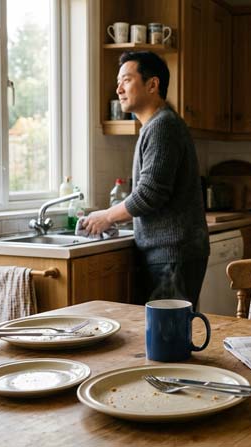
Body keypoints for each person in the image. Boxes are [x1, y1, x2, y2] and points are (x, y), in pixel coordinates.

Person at [82, 51, 210, 306]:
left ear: (152, 84)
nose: (118, 89)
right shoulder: (157, 124)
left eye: (126, 80)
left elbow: (149, 194)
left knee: (167, 337)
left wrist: (107, 216)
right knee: (169, 334)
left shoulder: (162, 126)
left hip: (171, 253)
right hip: (172, 252)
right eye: (118, 81)